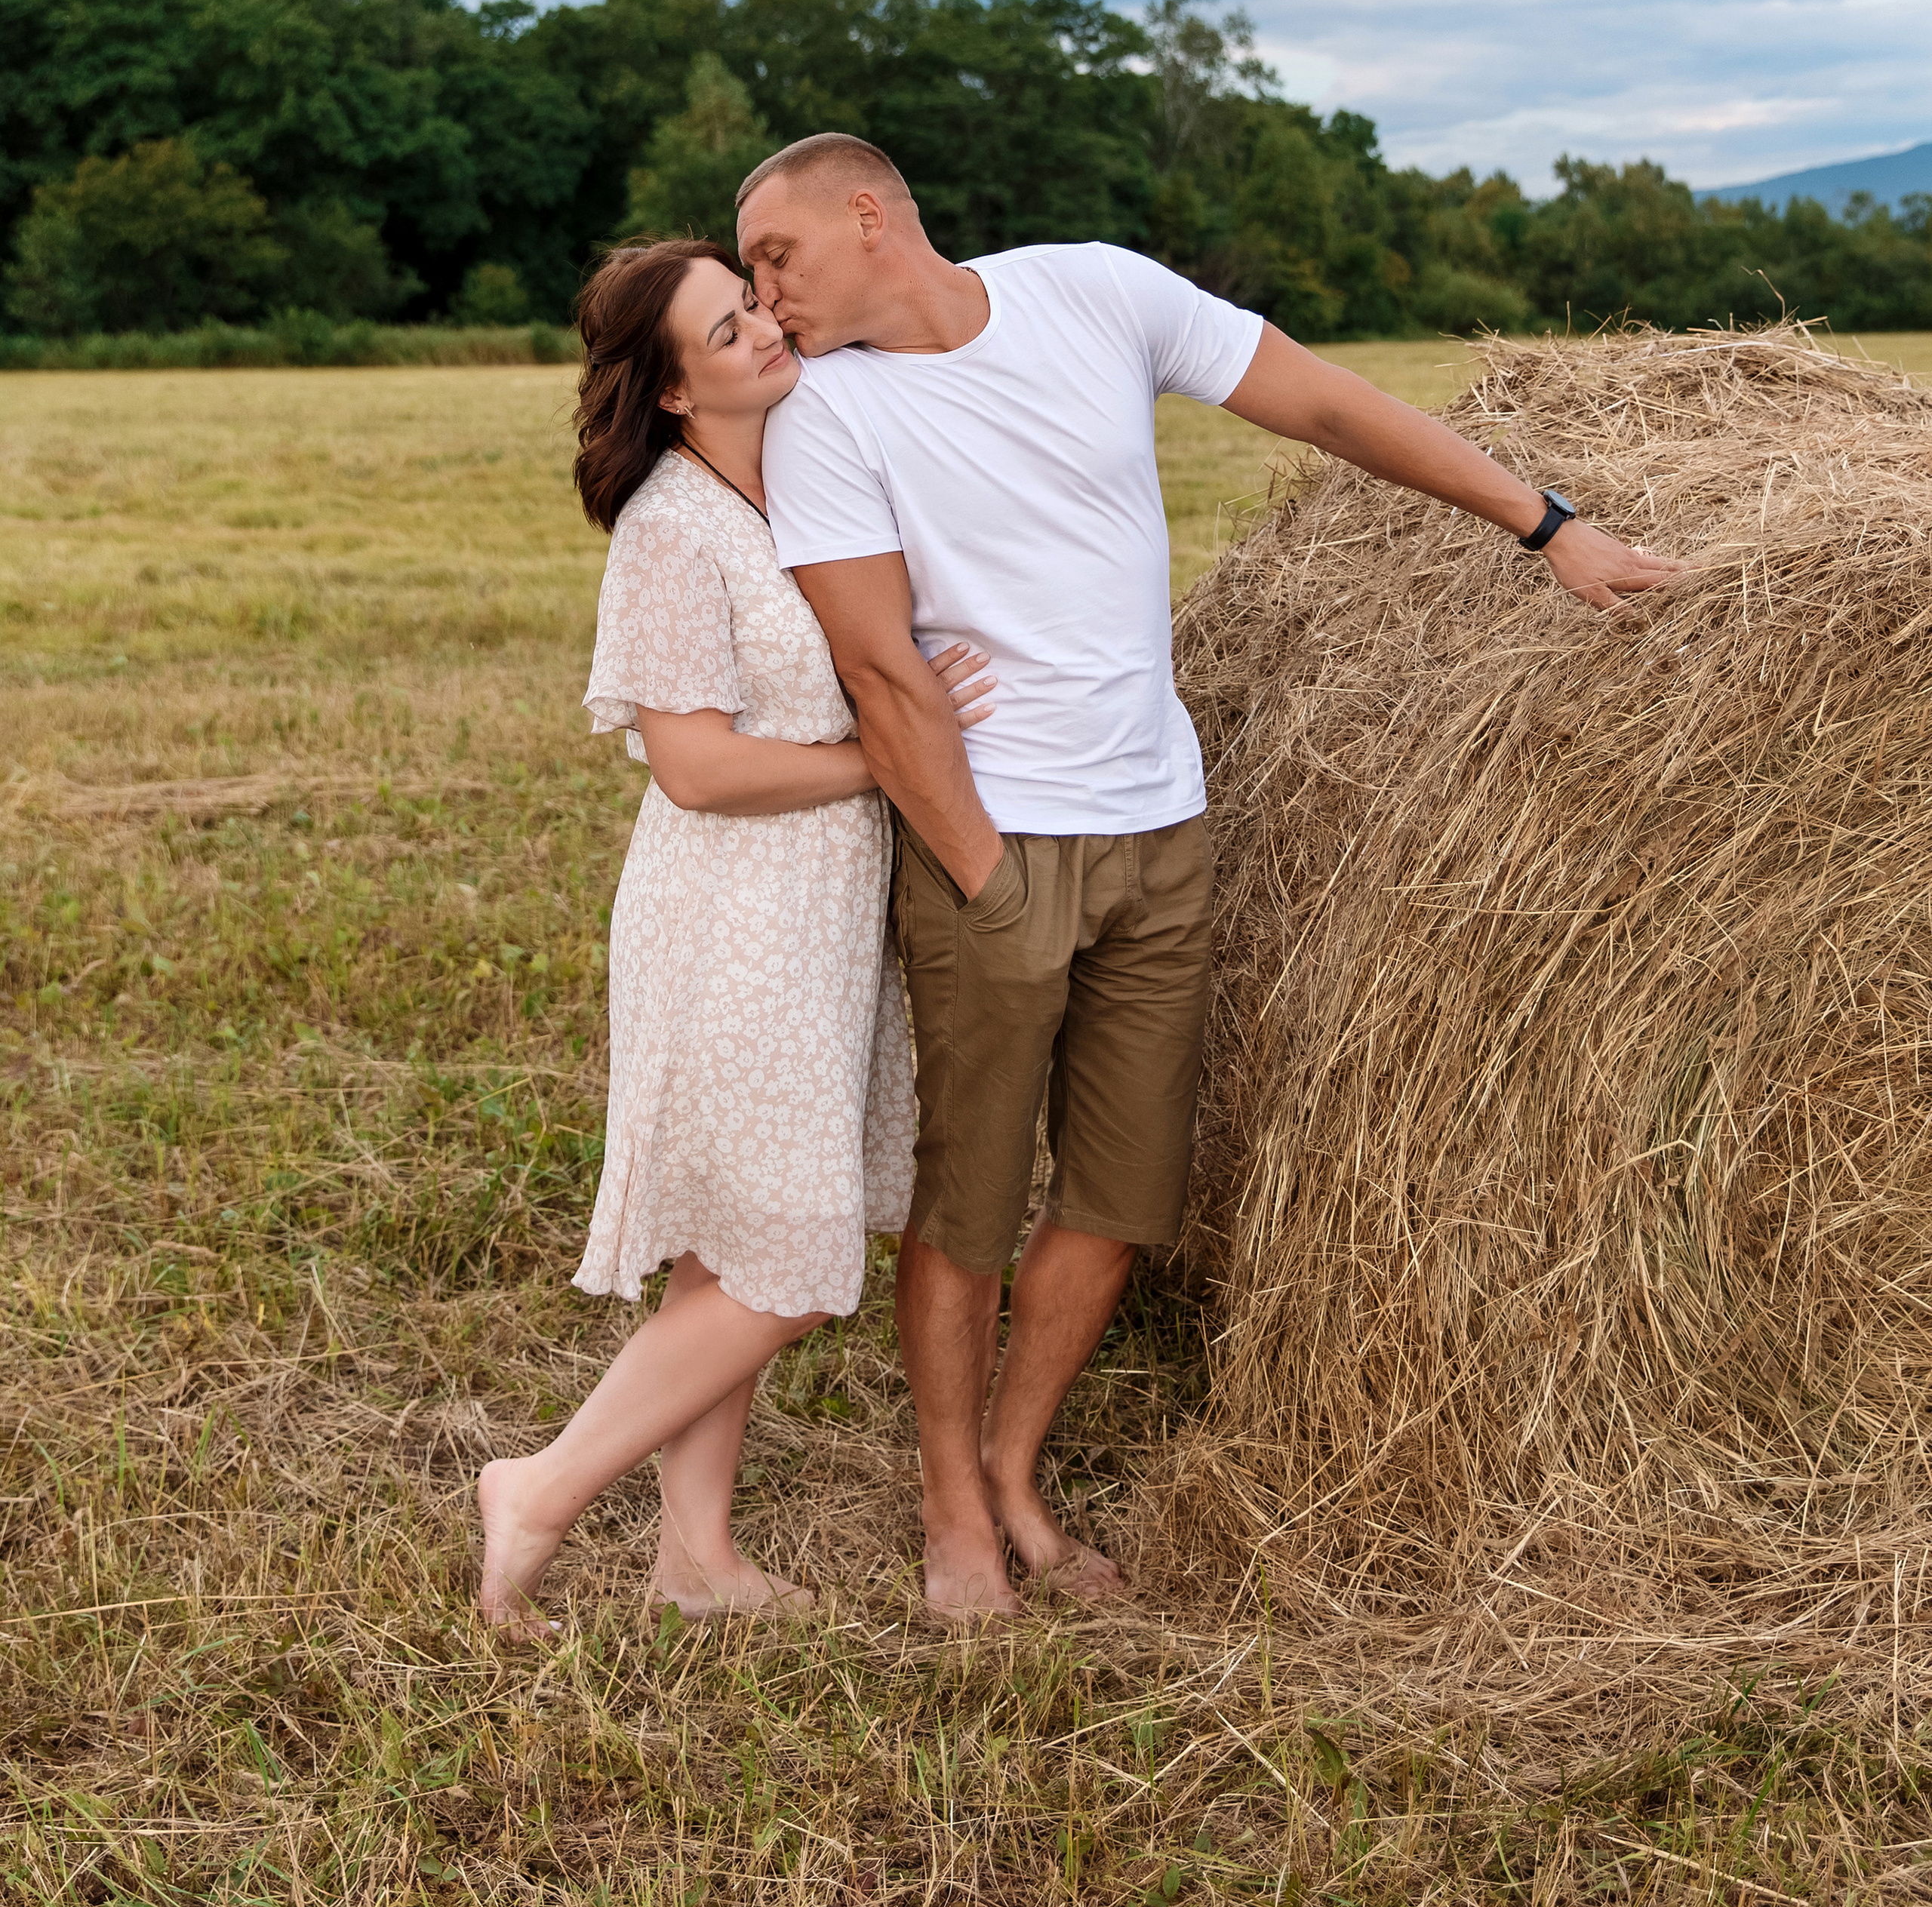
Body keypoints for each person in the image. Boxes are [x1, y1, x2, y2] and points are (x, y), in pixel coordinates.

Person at [737, 134, 1687, 1619]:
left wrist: (1542, 525)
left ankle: (1011, 1470)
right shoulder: (827, 417)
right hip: (995, 849)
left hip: (1159, 829)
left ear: (868, 218)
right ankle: (947, 1513)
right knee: (969, 1206)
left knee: (1119, 1197)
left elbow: (1321, 402)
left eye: (773, 256)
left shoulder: (1093, 295)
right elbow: (877, 667)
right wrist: (981, 875)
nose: (761, 293)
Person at [475, 235, 993, 1634]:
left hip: (821, 910)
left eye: (753, 303)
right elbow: (694, 765)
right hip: (732, 916)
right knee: (794, 1257)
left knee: (733, 1246)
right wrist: (885, 764)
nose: (766, 327)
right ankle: (538, 1487)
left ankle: (695, 1558)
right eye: (727, 328)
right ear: (677, 395)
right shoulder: (670, 527)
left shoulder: (793, 482)